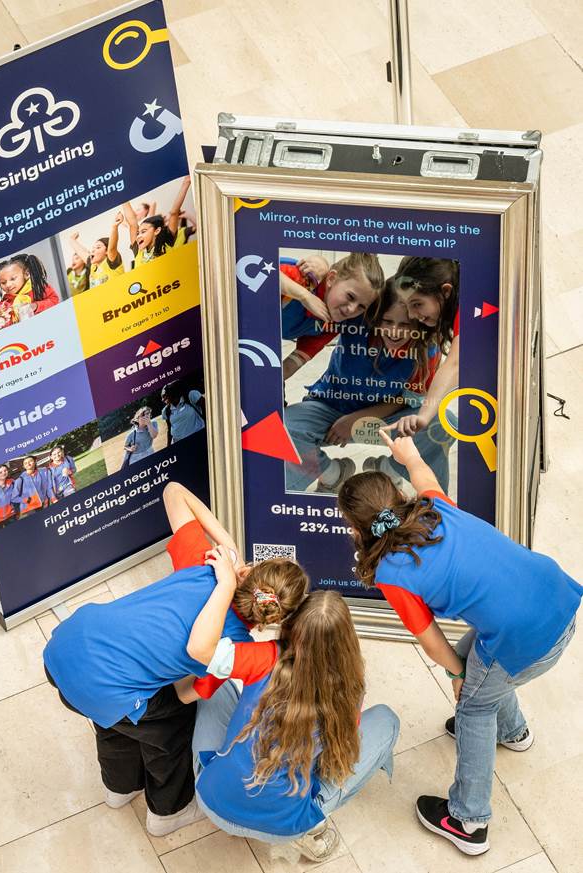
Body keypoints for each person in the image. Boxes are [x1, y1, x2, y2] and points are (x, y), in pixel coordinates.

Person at [337, 432, 582, 856]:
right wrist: (409, 454)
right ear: (399, 494)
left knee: (474, 703)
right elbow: (424, 474)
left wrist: (456, 675)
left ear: (354, 530)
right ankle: (514, 732)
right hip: (558, 600)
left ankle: (469, 821)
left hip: (525, 638)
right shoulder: (434, 509)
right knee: (480, 666)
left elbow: (431, 639)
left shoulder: (393, 574)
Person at [42, 482, 309, 837]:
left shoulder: (203, 563)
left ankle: (119, 789)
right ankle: (168, 812)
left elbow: (174, 492)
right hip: (100, 688)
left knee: (119, 719)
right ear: (273, 619)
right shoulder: (233, 649)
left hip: (64, 647)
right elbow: (185, 693)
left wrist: (228, 552)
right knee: (171, 722)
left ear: (248, 572)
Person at [181, 590, 399, 861]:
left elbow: (204, 654)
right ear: (347, 641)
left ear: (291, 625)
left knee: (214, 686)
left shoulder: (265, 657)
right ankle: (309, 831)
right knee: (387, 721)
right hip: (282, 828)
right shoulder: (350, 690)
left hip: (213, 802)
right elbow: (338, 757)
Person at [284, 280, 446, 494]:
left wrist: (354, 420)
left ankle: (389, 471)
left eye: (405, 325)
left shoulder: (426, 348)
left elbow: (410, 399)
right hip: (330, 409)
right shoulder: (354, 319)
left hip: (384, 420)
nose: (395, 332)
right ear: (374, 318)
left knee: (441, 425)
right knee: (282, 426)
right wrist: (318, 268)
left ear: (417, 323)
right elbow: (336, 284)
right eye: (387, 321)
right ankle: (332, 475)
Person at [279, 253, 385, 380]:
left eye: (361, 307)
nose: (351, 309)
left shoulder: (336, 322)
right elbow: (259, 269)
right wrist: (304, 296)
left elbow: (297, 359)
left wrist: (272, 380)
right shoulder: (305, 277)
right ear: (331, 279)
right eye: (350, 296)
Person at [389, 257, 459, 438]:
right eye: (408, 307)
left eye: (417, 304)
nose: (412, 315)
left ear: (445, 292)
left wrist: (424, 416)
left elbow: (456, 364)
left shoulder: (467, 307)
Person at [122, 176, 192, 268]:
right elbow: (132, 224)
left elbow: (174, 213)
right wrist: (122, 194)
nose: (138, 236)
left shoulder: (167, 244)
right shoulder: (138, 251)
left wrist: (186, 183)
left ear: (157, 231)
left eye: (143, 232)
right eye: (138, 233)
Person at [0, 253, 60, 325]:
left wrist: (35, 306)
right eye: (3, 282)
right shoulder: (4, 303)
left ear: (26, 274)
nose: (8, 285)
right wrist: (2, 319)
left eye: (13, 279)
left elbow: (54, 301)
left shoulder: (38, 288)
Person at [69, 215, 125, 289]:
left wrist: (114, 227)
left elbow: (112, 248)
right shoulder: (93, 266)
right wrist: (71, 240)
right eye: (93, 248)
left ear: (106, 252)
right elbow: (80, 251)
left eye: (98, 247)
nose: (93, 250)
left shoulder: (111, 263)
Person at [161, 381, 205, 446]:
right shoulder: (166, 411)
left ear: (174, 393)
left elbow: (208, 409)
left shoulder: (191, 396)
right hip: (179, 443)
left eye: (166, 396)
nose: (163, 400)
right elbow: (169, 428)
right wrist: (168, 446)